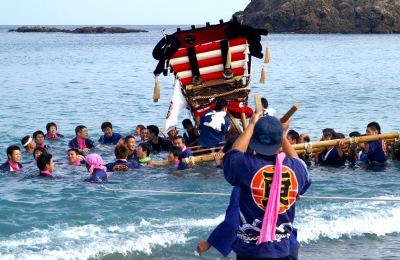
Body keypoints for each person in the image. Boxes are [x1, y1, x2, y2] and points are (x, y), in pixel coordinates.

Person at [223, 112, 309, 259]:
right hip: (282, 249)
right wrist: (281, 135)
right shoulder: (296, 169)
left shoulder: (245, 165)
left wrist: (251, 125)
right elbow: (299, 163)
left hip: (250, 250)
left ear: (254, 140)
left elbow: (234, 153)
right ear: (280, 142)